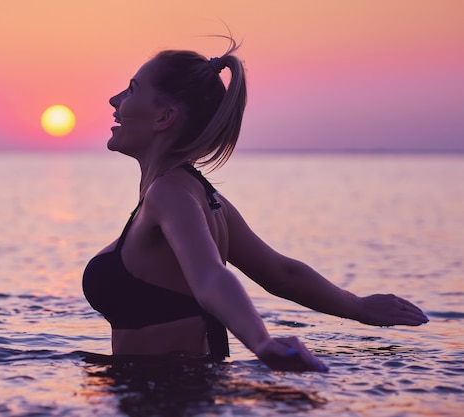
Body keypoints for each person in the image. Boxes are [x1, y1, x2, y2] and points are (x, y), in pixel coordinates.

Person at [82, 37, 428, 372]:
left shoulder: (170, 195)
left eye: (131, 89)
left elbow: (211, 277)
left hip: (167, 392)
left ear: (164, 118)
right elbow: (281, 274)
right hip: (190, 388)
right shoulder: (204, 197)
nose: (115, 100)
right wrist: (359, 306)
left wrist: (261, 342)